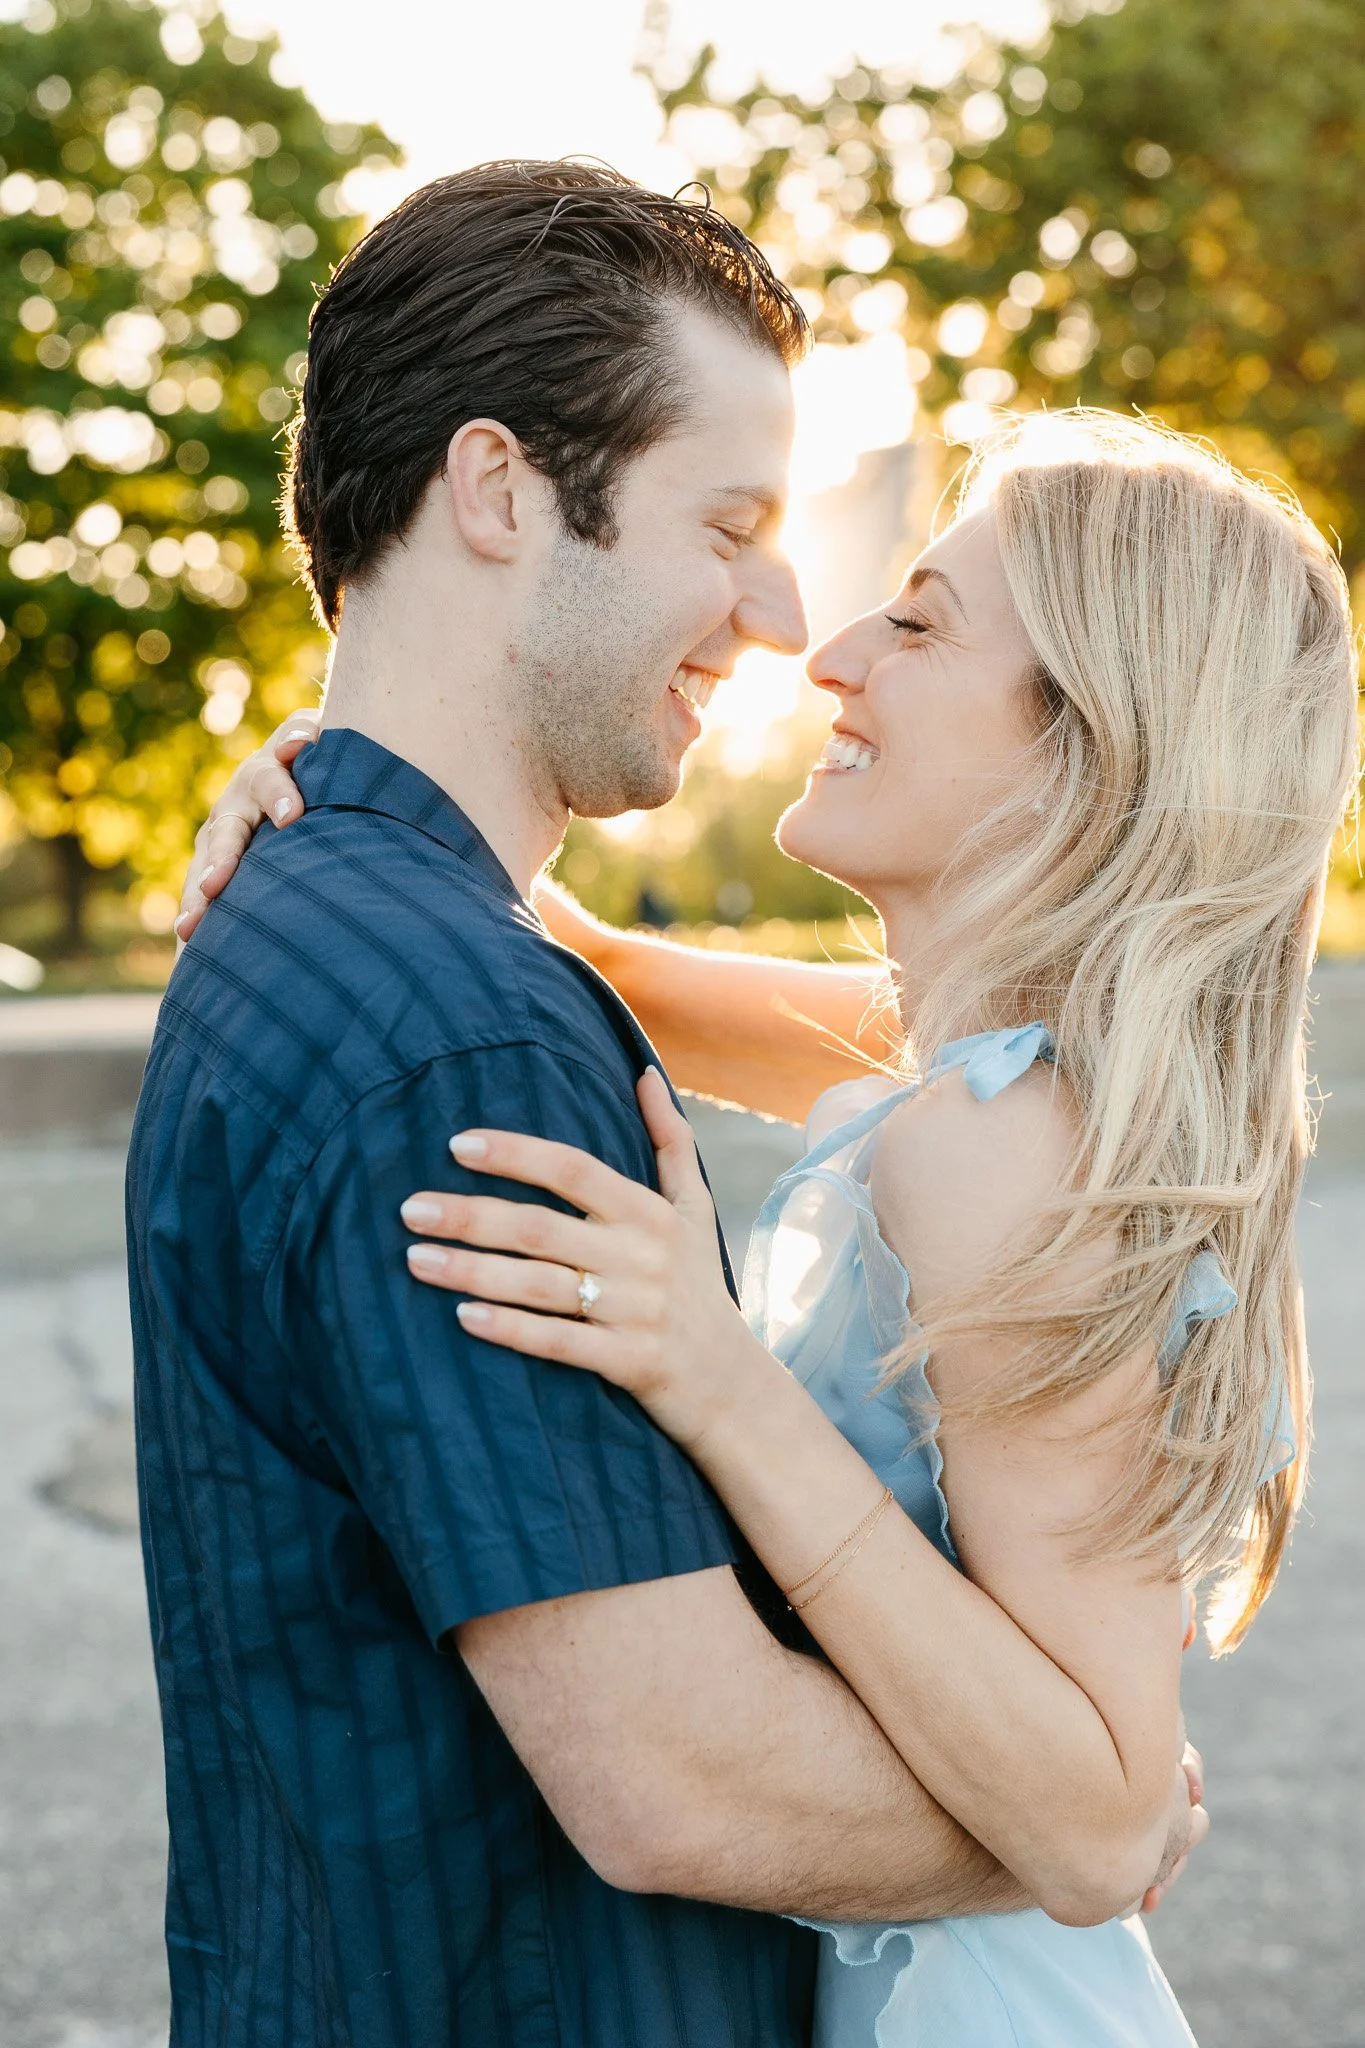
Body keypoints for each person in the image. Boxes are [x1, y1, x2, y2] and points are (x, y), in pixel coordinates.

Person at [138, 162, 1206, 2048]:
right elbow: (683, 1778)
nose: (798, 623)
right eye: (728, 525)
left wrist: (360, 789)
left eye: (919, 623)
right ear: (498, 491)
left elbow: (906, 1046)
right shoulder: (459, 1040)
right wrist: (1080, 1837)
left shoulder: (341, 941)